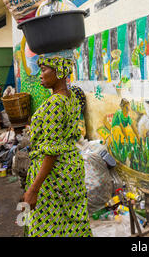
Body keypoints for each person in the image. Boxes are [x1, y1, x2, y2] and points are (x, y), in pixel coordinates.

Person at [21, 51, 92, 237]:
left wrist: (33, 189)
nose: (40, 74)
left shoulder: (55, 103)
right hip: (71, 168)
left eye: (44, 70)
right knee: (71, 222)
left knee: (48, 226)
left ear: (59, 72)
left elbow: (51, 151)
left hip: (53, 174)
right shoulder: (72, 98)